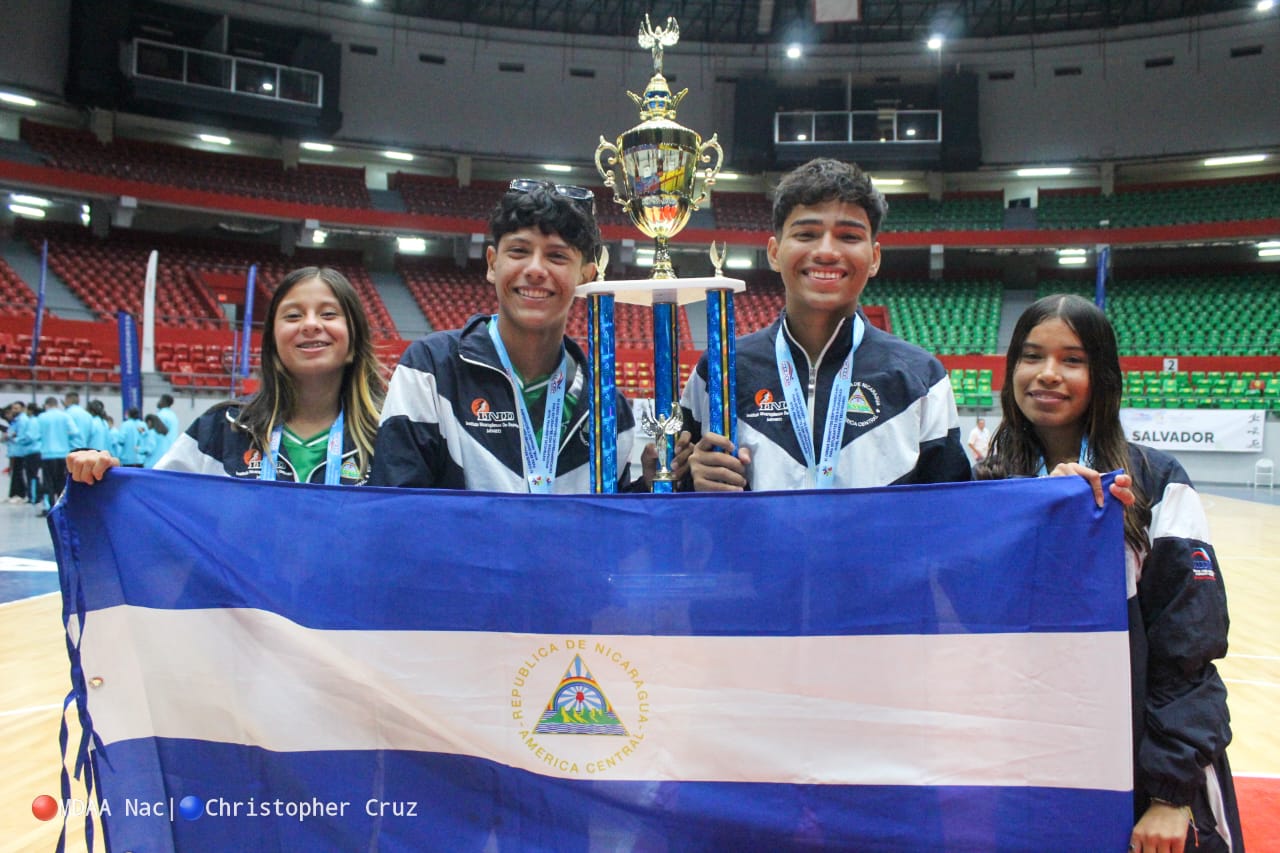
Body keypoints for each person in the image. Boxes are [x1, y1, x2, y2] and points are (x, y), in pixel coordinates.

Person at [974, 294, 1242, 853]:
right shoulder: (984, 485)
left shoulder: (1155, 480)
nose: (1048, 374)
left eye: (1072, 360)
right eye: (1031, 356)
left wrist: (1170, 795)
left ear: (1103, 376)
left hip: (1141, 770)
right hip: (1022, 761)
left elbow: (1189, 646)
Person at [676, 158, 971, 492]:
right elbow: (677, 500)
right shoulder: (720, 370)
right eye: (806, 234)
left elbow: (951, 516)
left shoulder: (920, 380)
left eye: (848, 236)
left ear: (874, 258)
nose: (827, 251)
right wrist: (692, 481)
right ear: (774, 253)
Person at [371, 179, 648, 493]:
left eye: (557, 257)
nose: (535, 269)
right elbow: (395, 510)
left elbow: (611, 528)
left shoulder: (607, 406)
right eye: (519, 251)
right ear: (492, 264)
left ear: (586, 276)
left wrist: (655, 484)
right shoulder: (430, 371)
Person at [68, 266, 386, 485]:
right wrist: (105, 477)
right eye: (293, 315)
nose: (311, 324)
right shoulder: (221, 429)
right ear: (273, 345)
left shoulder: (390, 436)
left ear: (353, 343)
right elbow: (155, 509)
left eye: (328, 314)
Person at [36, 396, 81, 511]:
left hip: (47, 454)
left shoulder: (41, 417)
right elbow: (75, 432)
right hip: (62, 454)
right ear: (56, 404)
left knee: (48, 482)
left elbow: (35, 435)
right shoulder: (65, 416)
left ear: (46, 405)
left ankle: (49, 506)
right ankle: (61, 506)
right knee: (61, 481)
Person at [155, 393, 180, 457]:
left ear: (164, 402)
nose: (158, 402)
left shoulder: (161, 415)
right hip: (171, 450)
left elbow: (155, 434)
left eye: (160, 400)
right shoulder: (173, 415)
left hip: (160, 451)